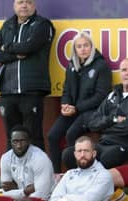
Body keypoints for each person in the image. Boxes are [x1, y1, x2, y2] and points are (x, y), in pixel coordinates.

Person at [61, 58, 128, 170]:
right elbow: (93, 123)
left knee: (108, 157)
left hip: (125, 146)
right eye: (124, 70)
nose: (127, 73)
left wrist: (103, 128)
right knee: (68, 154)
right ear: (120, 73)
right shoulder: (112, 96)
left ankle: (93, 183)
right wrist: (112, 120)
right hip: (103, 144)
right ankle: (81, 182)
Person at [0, 0, 55, 150]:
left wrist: (7, 47)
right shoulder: (8, 25)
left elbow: (30, 46)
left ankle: (37, 173)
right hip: (7, 90)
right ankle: (13, 173)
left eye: (29, 2)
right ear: (14, 5)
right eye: (20, 2)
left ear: (34, 5)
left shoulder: (42, 24)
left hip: (32, 90)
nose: (24, 5)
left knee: (33, 135)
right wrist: (14, 55)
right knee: (11, 137)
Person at [47, 32, 112, 173]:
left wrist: (76, 108)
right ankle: (56, 173)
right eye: (79, 46)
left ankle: (78, 171)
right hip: (73, 110)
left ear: (92, 47)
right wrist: (65, 105)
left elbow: (101, 96)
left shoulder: (101, 66)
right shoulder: (71, 65)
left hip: (90, 112)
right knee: (52, 135)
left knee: (71, 134)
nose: (83, 49)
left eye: (86, 45)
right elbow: (66, 90)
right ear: (75, 49)